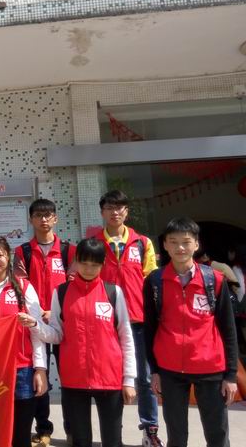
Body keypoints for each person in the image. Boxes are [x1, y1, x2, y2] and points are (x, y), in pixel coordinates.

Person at [144, 217, 239, 447]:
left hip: (210, 367)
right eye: (173, 242)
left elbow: (228, 330)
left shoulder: (214, 280)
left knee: (217, 434)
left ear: (196, 244)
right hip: (170, 369)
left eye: (186, 242)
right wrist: (154, 370)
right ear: (165, 245)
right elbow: (150, 329)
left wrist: (230, 375)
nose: (180, 247)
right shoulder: (155, 282)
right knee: (176, 435)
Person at [35, 238, 137, 447]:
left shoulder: (113, 292)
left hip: (109, 377)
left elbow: (126, 336)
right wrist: (35, 325)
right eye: (84, 263)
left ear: (103, 264)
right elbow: (57, 334)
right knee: (80, 440)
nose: (89, 269)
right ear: (75, 261)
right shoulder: (61, 292)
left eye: (95, 264)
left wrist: (129, 380)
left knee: (112, 440)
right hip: (74, 378)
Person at [95, 190, 161, 446]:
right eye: (110, 207)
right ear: (102, 212)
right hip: (106, 323)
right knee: (111, 379)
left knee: (144, 379)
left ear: (126, 211)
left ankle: (150, 430)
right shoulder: (93, 244)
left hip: (138, 321)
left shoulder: (142, 242)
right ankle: (114, 434)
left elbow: (152, 280)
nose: (115, 212)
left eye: (120, 207)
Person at [13, 198, 76, 446]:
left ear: (55, 218)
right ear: (31, 219)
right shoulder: (23, 251)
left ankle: (72, 429)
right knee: (39, 375)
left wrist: (54, 311)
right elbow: (21, 284)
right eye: (38, 215)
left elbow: (73, 285)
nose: (44, 219)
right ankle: (42, 428)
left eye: (48, 215)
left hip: (63, 322)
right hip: (35, 323)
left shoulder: (69, 250)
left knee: (68, 377)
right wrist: (40, 313)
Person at [0, 236, 48, 447]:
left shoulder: (24, 288)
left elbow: (36, 332)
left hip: (22, 369)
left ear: (8, 257)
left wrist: (40, 369)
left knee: (21, 432)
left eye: (0, 255)